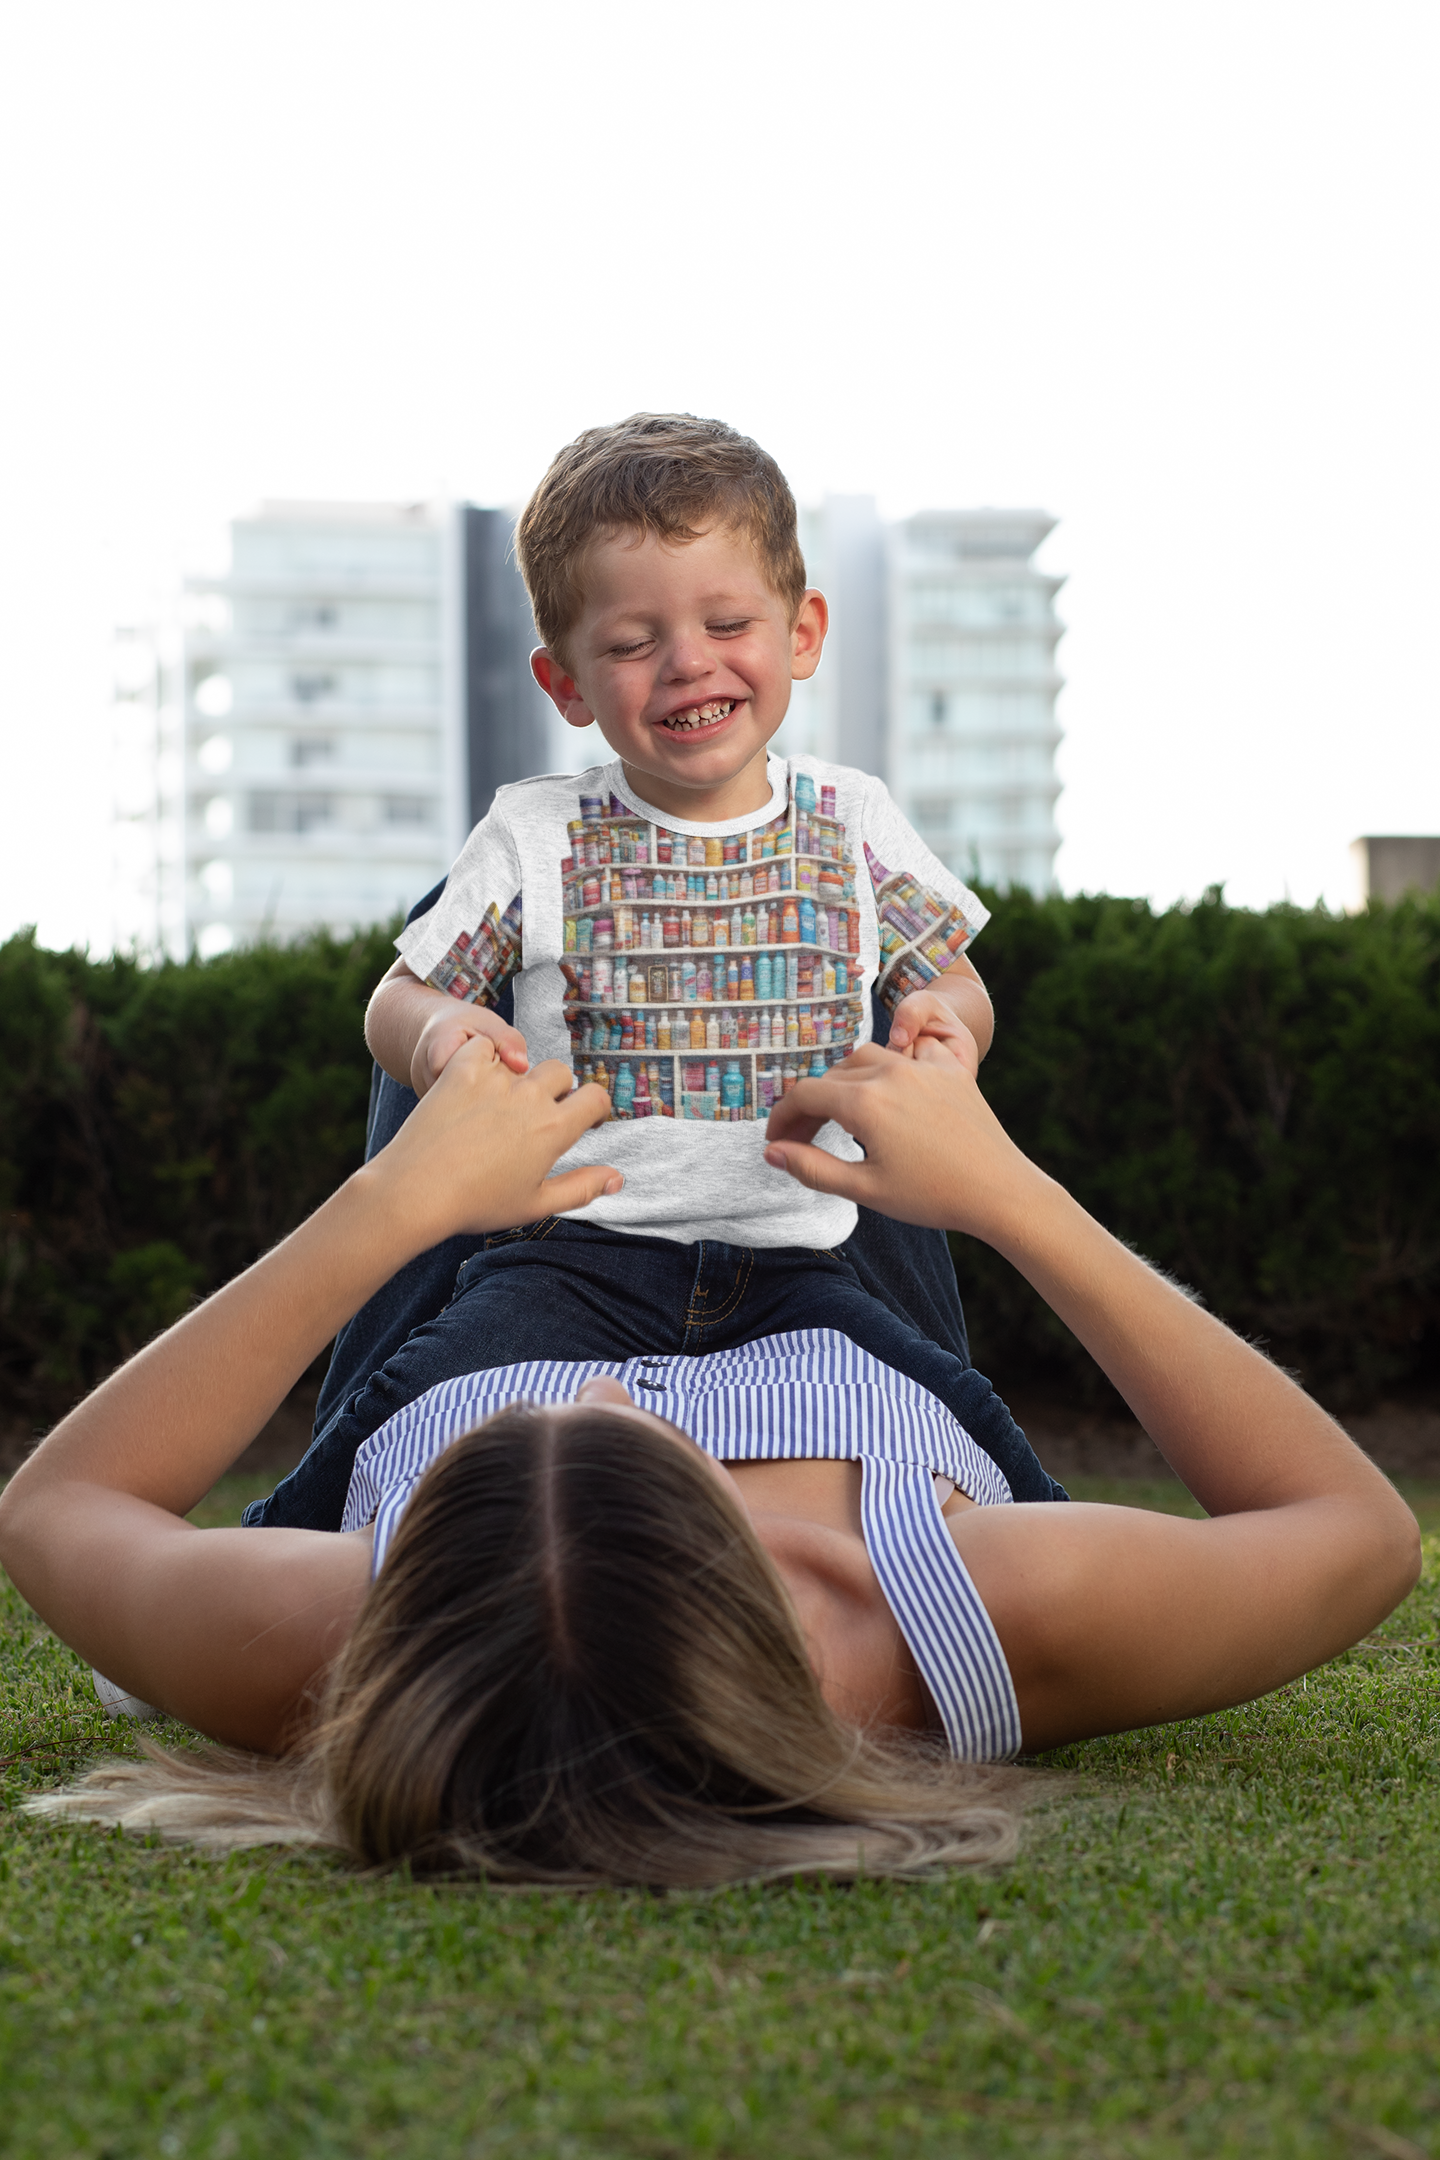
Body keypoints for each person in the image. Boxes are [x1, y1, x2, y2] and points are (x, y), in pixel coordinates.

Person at [0, 1038, 1420, 1885]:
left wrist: (390, 1210)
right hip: (837, 1297)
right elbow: (1353, 1534)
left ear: (418, 1574)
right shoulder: (961, 1618)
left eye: (507, 1448)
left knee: (482, 960)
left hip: (494, 1283)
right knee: (823, 958)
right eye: (647, 1432)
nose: (624, 1384)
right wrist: (1011, 1199)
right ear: (739, 1551)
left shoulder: (337, 1643)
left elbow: (59, 1505)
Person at [257, 411, 1045, 1532]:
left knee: (954, 1403)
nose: (688, 661)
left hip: (798, 1270)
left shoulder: (852, 820)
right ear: (566, 681)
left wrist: (947, 1019)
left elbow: (956, 974)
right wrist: (437, 1037)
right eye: (632, 643)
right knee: (404, 1395)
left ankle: (1053, 1558)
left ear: (804, 631)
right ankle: (276, 1556)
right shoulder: (537, 834)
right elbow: (400, 997)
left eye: (730, 621)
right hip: (575, 1260)